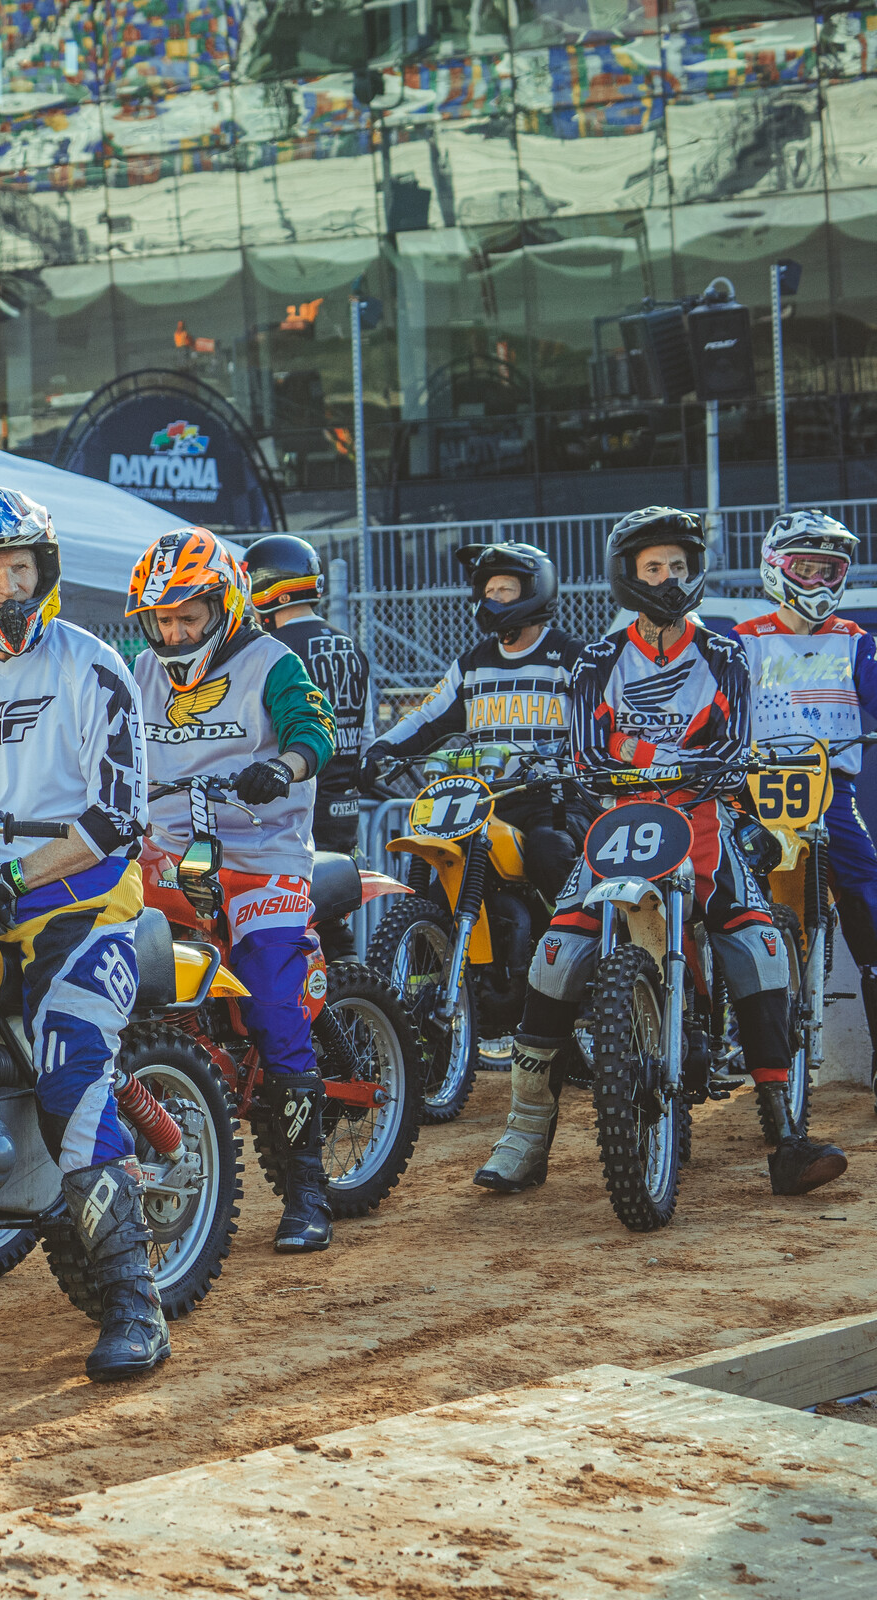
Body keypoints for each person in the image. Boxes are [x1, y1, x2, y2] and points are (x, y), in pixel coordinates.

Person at [475, 507, 847, 1198]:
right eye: (654, 567)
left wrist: (699, 770)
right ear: (628, 574)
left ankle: (784, 1135)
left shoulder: (725, 654)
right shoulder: (597, 660)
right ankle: (525, 1133)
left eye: (678, 565)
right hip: (620, 826)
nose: (669, 578)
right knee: (555, 957)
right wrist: (630, 770)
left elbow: (734, 747)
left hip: (701, 824)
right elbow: (584, 750)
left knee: (760, 945)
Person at [0, 486, 164, 1383]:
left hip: (85, 903)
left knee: (70, 1075)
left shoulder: (98, 668)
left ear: (45, 571)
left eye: (22, 567)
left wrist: (15, 873)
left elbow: (115, 815)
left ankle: (135, 1303)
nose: (9, 586)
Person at [128, 527, 339, 1254]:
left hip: (260, 855)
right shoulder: (139, 672)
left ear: (227, 605)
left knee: (276, 1008)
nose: (176, 631)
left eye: (190, 615)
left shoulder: (272, 663)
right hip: (160, 855)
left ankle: (307, 1191)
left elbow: (317, 729)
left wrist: (285, 766)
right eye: (164, 618)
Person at [359, 541, 591, 904]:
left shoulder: (571, 656)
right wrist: (381, 750)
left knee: (549, 852)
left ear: (535, 590)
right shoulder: (472, 664)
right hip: (485, 800)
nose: (493, 599)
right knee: (441, 886)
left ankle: (575, 945)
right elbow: (427, 718)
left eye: (505, 589)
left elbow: (601, 723)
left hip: (554, 800)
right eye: (488, 590)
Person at [733, 511, 877, 1085]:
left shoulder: (856, 640)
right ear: (775, 567)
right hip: (752, 789)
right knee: (718, 892)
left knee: (867, 891)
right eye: (804, 568)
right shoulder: (743, 640)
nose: (817, 582)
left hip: (830, 790)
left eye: (829, 570)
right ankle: (706, 1022)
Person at [244, 534, 367, 960]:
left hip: (299, 806)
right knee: (333, 923)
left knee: (294, 928)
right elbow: (363, 731)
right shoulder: (349, 644)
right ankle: (356, 1014)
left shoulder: (276, 653)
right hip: (346, 804)